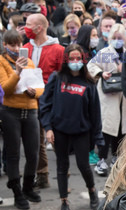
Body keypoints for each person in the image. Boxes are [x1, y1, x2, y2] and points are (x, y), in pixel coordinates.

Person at [39, 44, 102, 210]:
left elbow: (95, 113)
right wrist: (48, 128)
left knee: (83, 165)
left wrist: (98, 137)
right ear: (66, 60)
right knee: (61, 166)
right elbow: (45, 104)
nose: (75, 62)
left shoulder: (89, 83)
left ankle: (92, 190)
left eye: (78, 58)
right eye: (72, 58)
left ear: (83, 60)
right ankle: (64, 202)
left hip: (82, 131)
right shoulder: (57, 78)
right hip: (60, 131)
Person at [0, 30, 43, 210]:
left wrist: (35, 92)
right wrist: (17, 72)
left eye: (19, 45)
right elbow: (5, 89)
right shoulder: (2, 62)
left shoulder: (30, 62)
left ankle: (27, 187)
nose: (17, 49)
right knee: (13, 154)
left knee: (33, 153)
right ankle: (17, 191)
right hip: (11, 111)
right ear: (5, 46)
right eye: (12, 45)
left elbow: (40, 86)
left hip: (30, 111)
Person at [23, 13, 65, 189]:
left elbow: (63, 77)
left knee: (56, 138)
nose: (25, 27)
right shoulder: (25, 47)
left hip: (51, 101)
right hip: (30, 99)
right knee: (36, 140)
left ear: (39, 27)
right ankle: (42, 175)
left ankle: (64, 171)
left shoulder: (58, 50)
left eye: (28, 24)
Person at [87, 23, 126, 177]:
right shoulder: (105, 52)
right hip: (108, 95)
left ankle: (116, 158)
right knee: (107, 129)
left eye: (120, 38)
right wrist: (101, 73)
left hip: (122, 97)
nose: (117, 40)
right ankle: (101, 159)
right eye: (115, 37)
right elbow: (91, 65)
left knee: (120, 130)